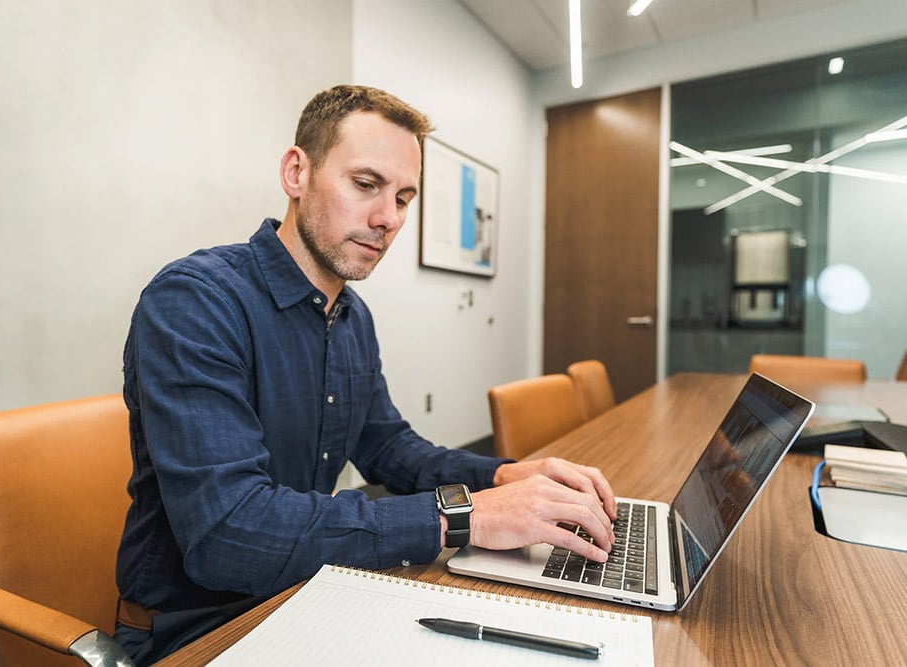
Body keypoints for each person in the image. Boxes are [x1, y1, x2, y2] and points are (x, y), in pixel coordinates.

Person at [114, 84, 618, 665]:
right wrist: (465, 517)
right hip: (197, 629)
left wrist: (506, 477)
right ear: (296, 172)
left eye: (404, 197)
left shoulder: (351, 316)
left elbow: (390, 449)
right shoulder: (196, 302)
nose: (388, 219)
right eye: (366, 185)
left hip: (307, 591)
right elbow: (229, 533)